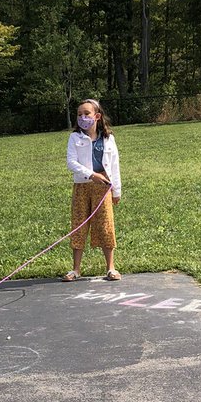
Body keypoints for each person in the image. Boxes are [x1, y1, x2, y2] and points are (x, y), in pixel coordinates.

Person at [63, 99, 122, 282]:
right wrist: (90, 174)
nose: (83, 117)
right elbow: (71, 162)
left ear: (97, 116)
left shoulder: (108, 139)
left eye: (86, 113)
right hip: (82, 186)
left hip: (103, 186)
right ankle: (76, 269)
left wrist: (116, 191)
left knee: (105, 224)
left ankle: (110, 268)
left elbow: (114, 165)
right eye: (79, 114)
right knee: (79, 224)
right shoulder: (75, 138)